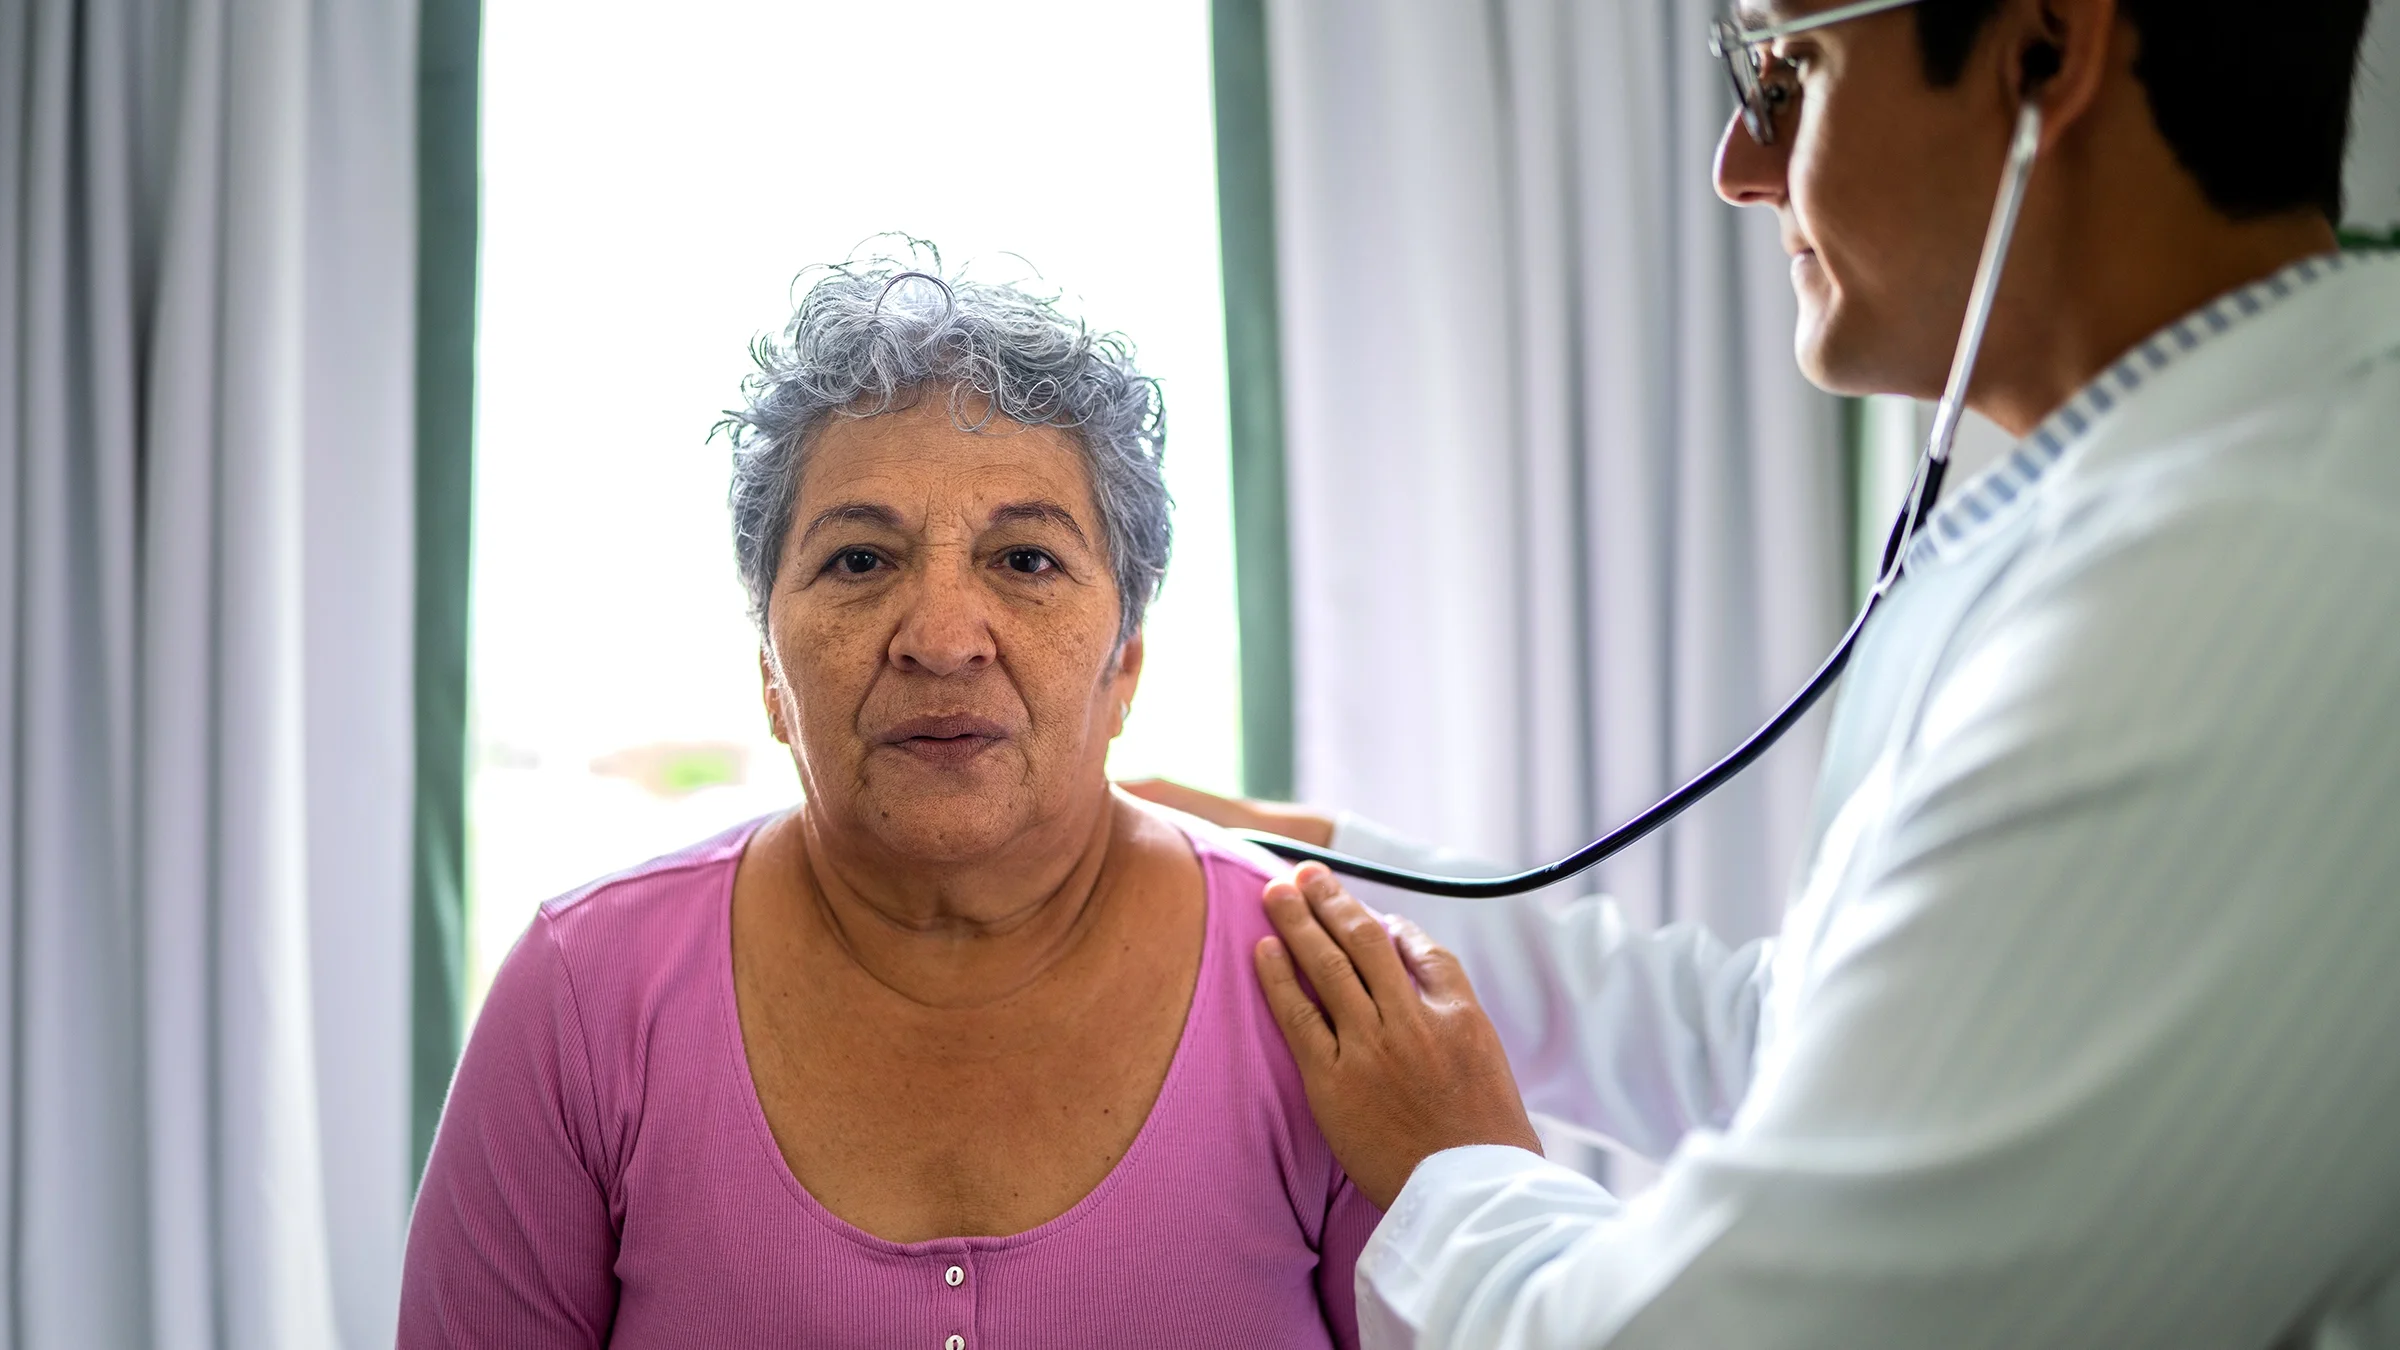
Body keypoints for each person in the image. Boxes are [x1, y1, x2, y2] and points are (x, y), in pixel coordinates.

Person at [1132, 0, 2400, 1344]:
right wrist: (1323, 875)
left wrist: (1451, 1168)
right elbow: (1825, 1046)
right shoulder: (2188, 503)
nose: (1739, 164)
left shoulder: (2230, 597)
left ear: (2043, 50)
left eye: (1792, 68)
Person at [398, 256, 1379, 1347]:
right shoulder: (586, 996)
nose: (943, 640)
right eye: (860, 559)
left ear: (1127, 666)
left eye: (1026, 559)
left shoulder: (1330, 989)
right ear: (770, 673)